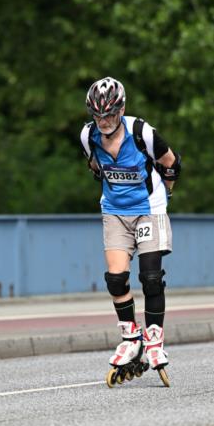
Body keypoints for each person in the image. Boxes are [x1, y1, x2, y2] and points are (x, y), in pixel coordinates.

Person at [80, 77, 181, 387]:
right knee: (115, 277)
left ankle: (154, 339)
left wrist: (165, 197)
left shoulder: (142, 133)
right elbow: (96, 169)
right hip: (114, 211)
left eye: (110, 115)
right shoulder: (88, 136)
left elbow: (172, 165)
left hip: (149, 207)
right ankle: (131, 336)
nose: (105, 121)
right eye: (99, 116)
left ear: (121, 110)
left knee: (150, 277)